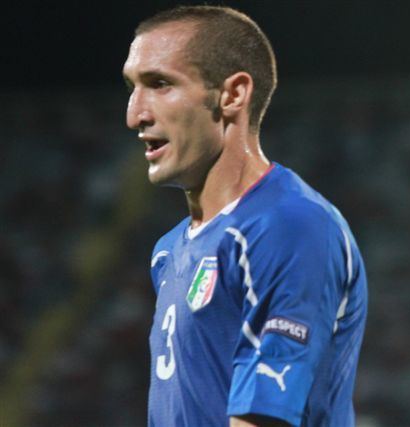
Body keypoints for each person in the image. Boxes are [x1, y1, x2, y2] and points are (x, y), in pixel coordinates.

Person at [122, 5, 368, 426]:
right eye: (132, 87)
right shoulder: (170, 250)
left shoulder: (290, 226)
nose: (134, 115)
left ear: (232, 95)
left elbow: (263, 419)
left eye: (160, 84)